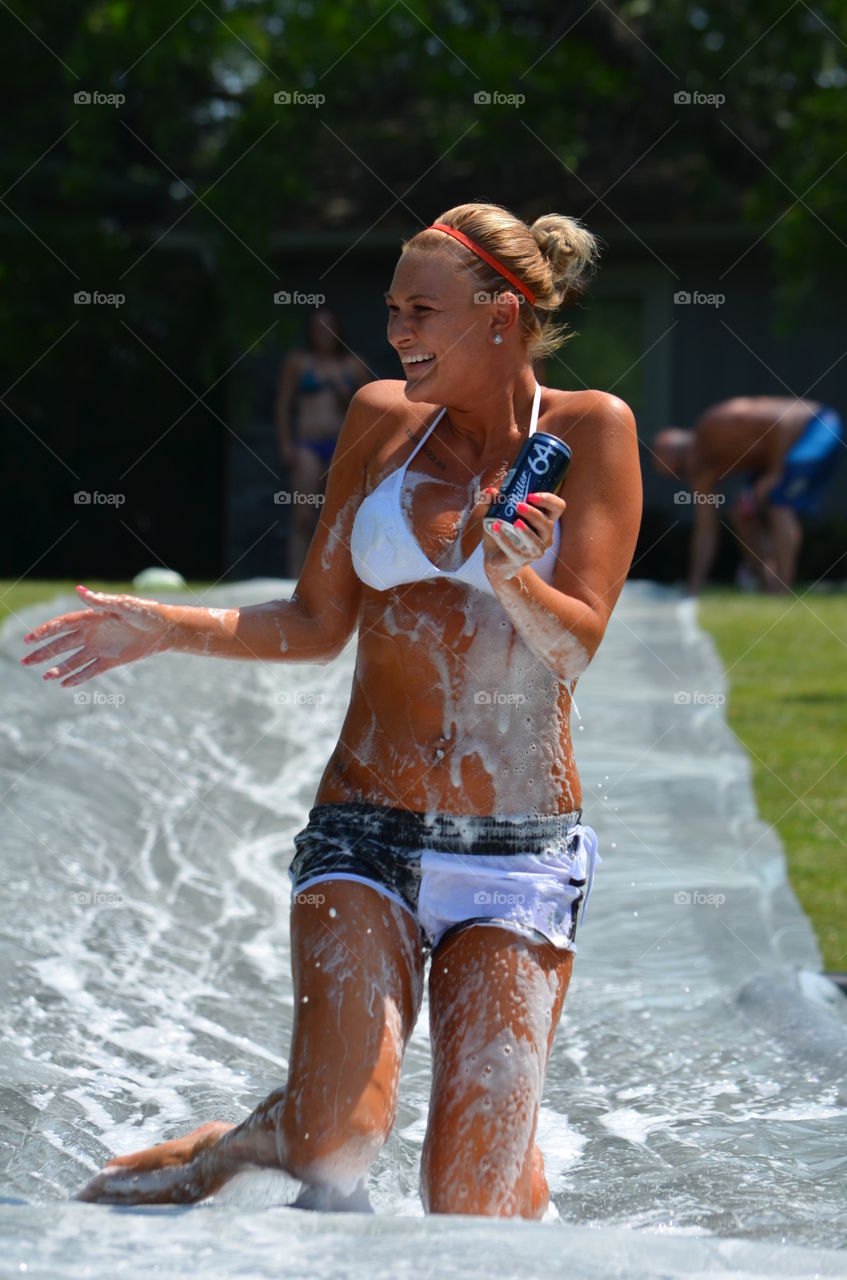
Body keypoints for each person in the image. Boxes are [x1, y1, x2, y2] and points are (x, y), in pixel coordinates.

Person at [21, 203, 642, 1218]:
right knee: (334, 1151)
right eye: (392, 307)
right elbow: (316, 619)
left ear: (499, 311)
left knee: (472, 1209)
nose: (395, 329)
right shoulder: (380, 420)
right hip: (366, 828)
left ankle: (505, 1174)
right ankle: (244, 1142)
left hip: (519, 853)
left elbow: (576, 644)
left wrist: (515, 577)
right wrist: (167, 625)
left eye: (420, 309)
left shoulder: (590, 430)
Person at [652, 397, 844, 595]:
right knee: (741, 512)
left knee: (778, 502)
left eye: (681, 470)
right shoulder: (703, 474)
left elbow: (782, 422)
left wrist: (775, 474)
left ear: (688, 447)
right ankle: (767, 585)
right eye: (676, 477)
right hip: (774, 458)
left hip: (815, 427)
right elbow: (705, 531)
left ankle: (783, 590)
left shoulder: (717, 423)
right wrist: (694, 586)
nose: (685, 478)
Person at [276, 307, 370, 576]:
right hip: (308, 444)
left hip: (342, 446)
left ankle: (333, 580)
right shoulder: (299, 362)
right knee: (303, 516)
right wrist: (286, 443)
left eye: (329, 328)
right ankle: (294, 580)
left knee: (340, 517)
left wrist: (345, 394)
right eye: (318, 328)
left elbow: (368, 409)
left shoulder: (353, 365)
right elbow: (283, 405)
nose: (324, 334)